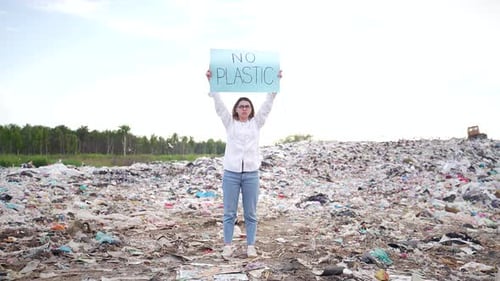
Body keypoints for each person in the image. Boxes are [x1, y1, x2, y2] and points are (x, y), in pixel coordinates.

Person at [206, 69, 282, 259]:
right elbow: (219, 105)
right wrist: (211, 83)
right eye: (241, 106)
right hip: (231, 173)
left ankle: (250, 246)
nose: (244, 108)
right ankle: (228, 246)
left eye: (247, 106)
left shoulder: (256, 123)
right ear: (236, 109)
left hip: (251, 174)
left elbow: (268, 104)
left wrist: (275, 83)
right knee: (229, 213)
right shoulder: (229, 123)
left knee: (251, 213)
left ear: (251, 109)